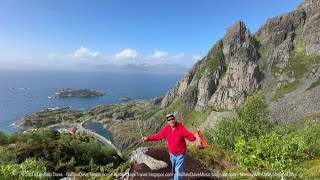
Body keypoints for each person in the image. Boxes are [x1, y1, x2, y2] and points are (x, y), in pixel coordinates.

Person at [142, 113, 198, 180]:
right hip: (172, 154)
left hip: (180, 155)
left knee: (179, 171)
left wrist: (195, 136)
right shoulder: (166, 129)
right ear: (167, 122)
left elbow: (189, 136)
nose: (171, 121)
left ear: (175, 119)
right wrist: (147, 138)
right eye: (169, 120)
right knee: (174, 168)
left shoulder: (180, 127)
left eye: (172, 119)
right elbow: (158, 136)